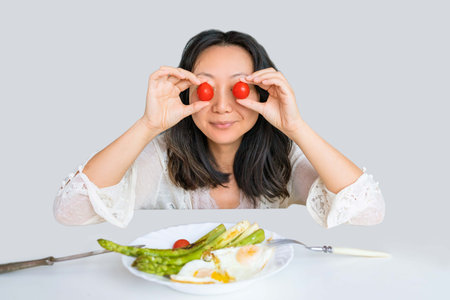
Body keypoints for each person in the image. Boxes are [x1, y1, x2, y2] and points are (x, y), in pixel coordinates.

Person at [53, 29, 385, 229]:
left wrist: (296, 127)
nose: (223, 107)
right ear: (187, 91)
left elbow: (369, 211)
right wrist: (148, 125)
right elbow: (71, 211)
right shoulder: (163, 157)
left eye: (239, 89)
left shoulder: (285, 155)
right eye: (207, 89)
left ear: (261, 92)